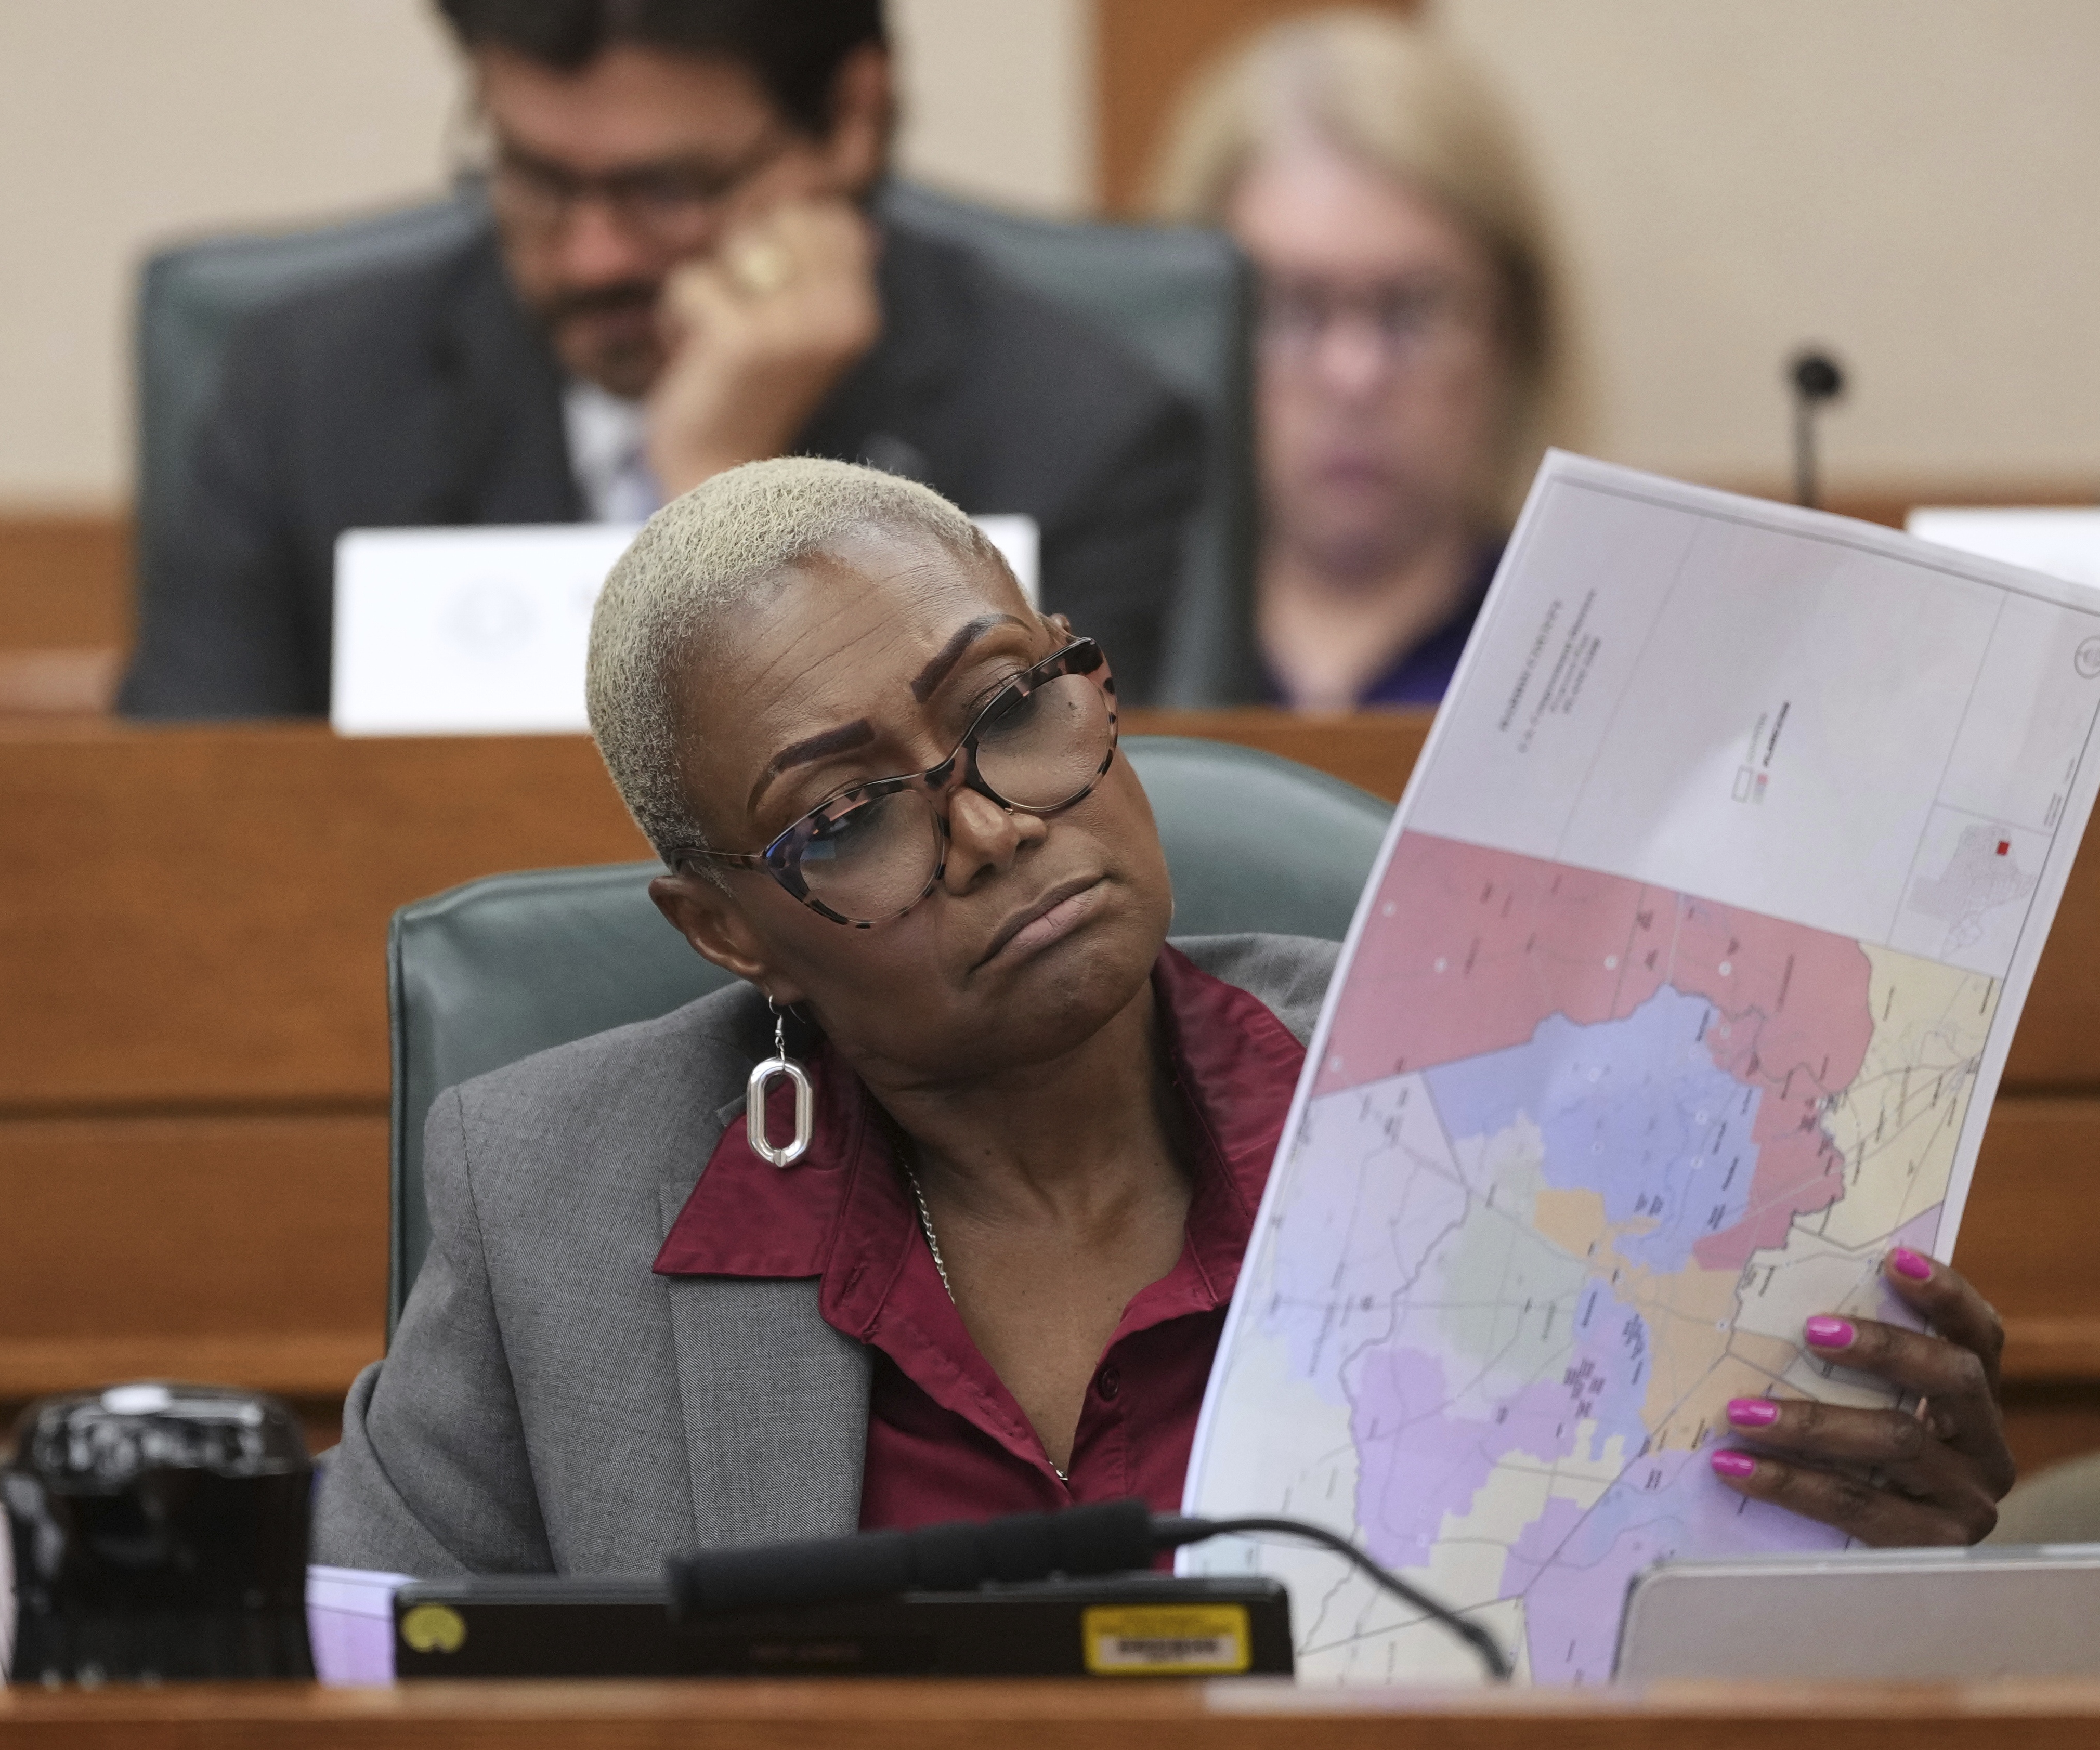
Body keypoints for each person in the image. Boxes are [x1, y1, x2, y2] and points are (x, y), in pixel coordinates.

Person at [314, 456, 2014, 1576]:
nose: (987, 823)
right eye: (845, 819)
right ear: (724, 930)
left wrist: (1865, 1545)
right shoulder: (547, 1201)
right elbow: (347, 1687)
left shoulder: (1505, 1112)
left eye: (1003, 706)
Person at [117, 0, 1202, 718]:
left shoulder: (1072, 428)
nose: (591, 256)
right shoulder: (303, 395)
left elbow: (1021, 862)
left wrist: (724, 487)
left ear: (849, 120)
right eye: (537, 177)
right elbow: (182, 829)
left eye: (666, 191)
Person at [1151, 10, 1581, 710]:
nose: (1354, 376)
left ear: (1512, 331)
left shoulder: (1578, 661)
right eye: (1289, 310)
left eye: (1414, 310)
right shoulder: (1101, 661)